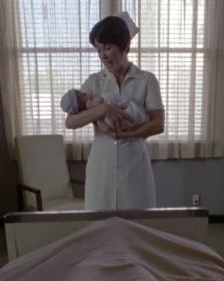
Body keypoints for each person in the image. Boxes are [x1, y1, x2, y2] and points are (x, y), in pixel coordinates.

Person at [64, 14, 164, 210]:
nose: (103, 55)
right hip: (101, 166)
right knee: (100, 222)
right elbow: (71, 122)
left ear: (126, 46)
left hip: (134, 164)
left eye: (108, 47)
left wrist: (123, 135)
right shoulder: (94, 81)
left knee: (136, 221)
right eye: (99, 50)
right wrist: (103, 109)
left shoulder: (147, 80)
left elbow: (157, 124)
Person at [60, 88, 149, 130]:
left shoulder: (146, 78)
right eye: (81, 95)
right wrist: (103, 109)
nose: (84, 93)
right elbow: (69, 123)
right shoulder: (92, 82)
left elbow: (156, 124)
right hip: (104, 152)